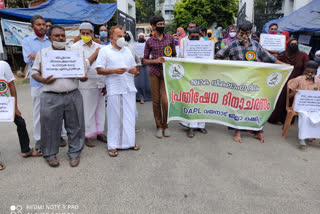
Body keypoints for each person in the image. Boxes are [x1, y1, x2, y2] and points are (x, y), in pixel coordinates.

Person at [216, 20, 284, 143]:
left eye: (247, 33)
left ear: (250, 32)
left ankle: (258, 131)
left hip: (254, 82)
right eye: (242, 32)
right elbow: (218, 56)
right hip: (237, 83)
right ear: (238, 32)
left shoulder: (256, 46)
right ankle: (237, 133)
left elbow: (271, 59)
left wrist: (286, 66)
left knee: (255, 107)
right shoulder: (232, 45)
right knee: (239, 107)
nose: (244, 35)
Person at [31, 25, 88, 167]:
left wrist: (83, 77)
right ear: (50, 38)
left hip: (73, 94)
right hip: (50, 96)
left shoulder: (74, 52)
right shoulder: (43, 53)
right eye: (56, 36)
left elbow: (83, 72)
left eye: (63, 35)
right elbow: (34, 73)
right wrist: (43, 79)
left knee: (75, 126)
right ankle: (50, 154)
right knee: (50, 128)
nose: (60, 38)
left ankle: (74, 153)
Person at [22, 15, 66, 157]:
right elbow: (28, 58)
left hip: (54, 80)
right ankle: (39, 139)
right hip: (37, 82)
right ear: (32, 27)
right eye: (38, 24)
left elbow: (58, 57)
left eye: (43, 25)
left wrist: (38, 56)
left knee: (57, 110)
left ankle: (58, 135)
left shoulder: (51, 40)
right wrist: (42, 56)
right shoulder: (27, 41)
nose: (42, 27)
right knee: (39, 113)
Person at [96, 25, 140, 157]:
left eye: (123, 35)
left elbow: (135, 70)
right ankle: (113, 145)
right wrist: (114, 71)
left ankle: (130, 142)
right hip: (114, 87)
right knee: (114, 117)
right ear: (111, 37)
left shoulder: (127, 50)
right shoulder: (105, 51)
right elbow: (99, 69)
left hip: (128, 87)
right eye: (119, 36)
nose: (122, 38)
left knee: (129, 116)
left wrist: (135, 71)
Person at [71, 22, 107, 147]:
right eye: (83, 33)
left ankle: (100, 132)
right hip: (85, 84)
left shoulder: (99, 46)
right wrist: (95, 54)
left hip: (100, 82)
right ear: (80, 34)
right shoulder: (75, 47)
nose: (86, 35)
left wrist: (105, 84)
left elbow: (104, 65)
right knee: (87, 110)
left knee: (100, 108)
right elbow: (81, 66)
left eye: (88, 33)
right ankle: (87, 134)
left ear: (92, 33)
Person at [143, 15, 176, 138]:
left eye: (163, 24)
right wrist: (155, 60)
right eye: (159, 24)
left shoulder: (170, 39)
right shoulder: (149, 41)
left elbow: (174, 56)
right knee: (156, 102)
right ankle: (159, 126)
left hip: (166, 74)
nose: (162, 26)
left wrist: (173, 62)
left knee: (165, 101)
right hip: (154, 73)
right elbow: (145, 60)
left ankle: (166, 125)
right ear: (153, 26)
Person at [0, 61, 35, 170]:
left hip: (5, 104)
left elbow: (11, 86)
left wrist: (15, 107)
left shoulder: (3, 65)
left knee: (21, 122)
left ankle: (26, 150)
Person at [268, 39, 309, 125]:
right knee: (281, 99)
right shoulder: (283, 55)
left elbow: (306, 68)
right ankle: (276, 118)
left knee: (292, 100)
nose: (294, 45)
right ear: (288, 44)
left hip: (297, 80)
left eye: (296, 44)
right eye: (292, 44)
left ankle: (287, 120)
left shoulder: (303, 55)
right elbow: (276, 64)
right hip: (284, 80)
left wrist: (302, 79)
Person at [179, 28, 208, 138]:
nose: (195, 38)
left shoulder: (205, 44)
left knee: (202, 100)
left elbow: (209, 57)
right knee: (191, 100)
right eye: (193, 36)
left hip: (202, 75)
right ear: (189, 36)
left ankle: (201, 125)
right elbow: (180, 58)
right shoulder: (184, 43)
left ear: (200, 36)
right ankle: (190, 126)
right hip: (189, 75)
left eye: (197, 36)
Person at [288, 61, 320, 149]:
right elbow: (289, 96)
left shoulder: (318, 81)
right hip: (300, 106)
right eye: (307, 72)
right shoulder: (299, 79)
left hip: (313, 106)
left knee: (318, 115)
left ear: (316, 72)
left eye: (312, 72)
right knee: (305, 116)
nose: (309, 74)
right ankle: (302, 138)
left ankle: (316, 136)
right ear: (305, 71)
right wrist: (294, 93)